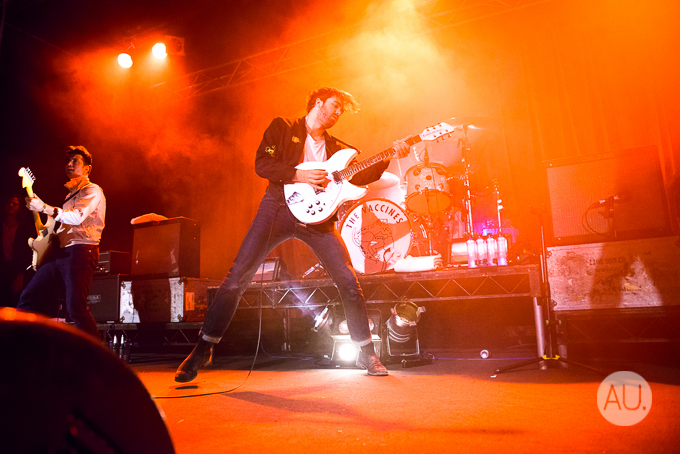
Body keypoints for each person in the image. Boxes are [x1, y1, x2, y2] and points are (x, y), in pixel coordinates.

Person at [175, 87, 411, 382]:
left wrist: (390, 155)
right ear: (318, 103)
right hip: (277, 210)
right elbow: (262, 164)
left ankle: (367, 352)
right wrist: (298, 174)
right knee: (237, 278)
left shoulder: (338, 148)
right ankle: (202, 349)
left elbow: (361, 175)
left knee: (349, 281)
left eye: (341, 110)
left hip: (319, 221)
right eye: (335, 106)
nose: (338, 113)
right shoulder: (283, 127)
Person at [18, 146, 106, 338]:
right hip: (60, 253)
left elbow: (77, 217)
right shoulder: (69, 196)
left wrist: (44, 207)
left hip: (81, 251)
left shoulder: (92, 190)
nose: (70, 164)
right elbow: (55, 225)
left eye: (76, 161)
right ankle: (21, 346)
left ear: (88, 168)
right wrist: (39, 208)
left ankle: (94, 352)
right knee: (28, 298)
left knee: (76, 307)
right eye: (68, 161)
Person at [0, 194, 34, 307]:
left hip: (17, 271)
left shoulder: (25, 229)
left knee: (15, 303)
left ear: (19, 208)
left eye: (15, 204)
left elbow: (29, 253)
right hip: (3, 270)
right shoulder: (2, 226)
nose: (11, 205)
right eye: (9, 203)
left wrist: (21, 274)